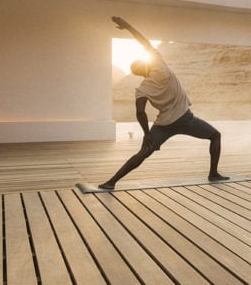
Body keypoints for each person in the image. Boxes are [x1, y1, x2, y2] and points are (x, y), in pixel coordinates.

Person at [98, 16, 228, 190]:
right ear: (146, 64)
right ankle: (213, 173)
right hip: (185, 119)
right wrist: (128, 26)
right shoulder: (160, 66)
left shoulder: (142, 89)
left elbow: (140, 112)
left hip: (163, 125)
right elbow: (143, 41)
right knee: (215, 135)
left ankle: (111, 182)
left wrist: (146, 133)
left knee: (143, 153)